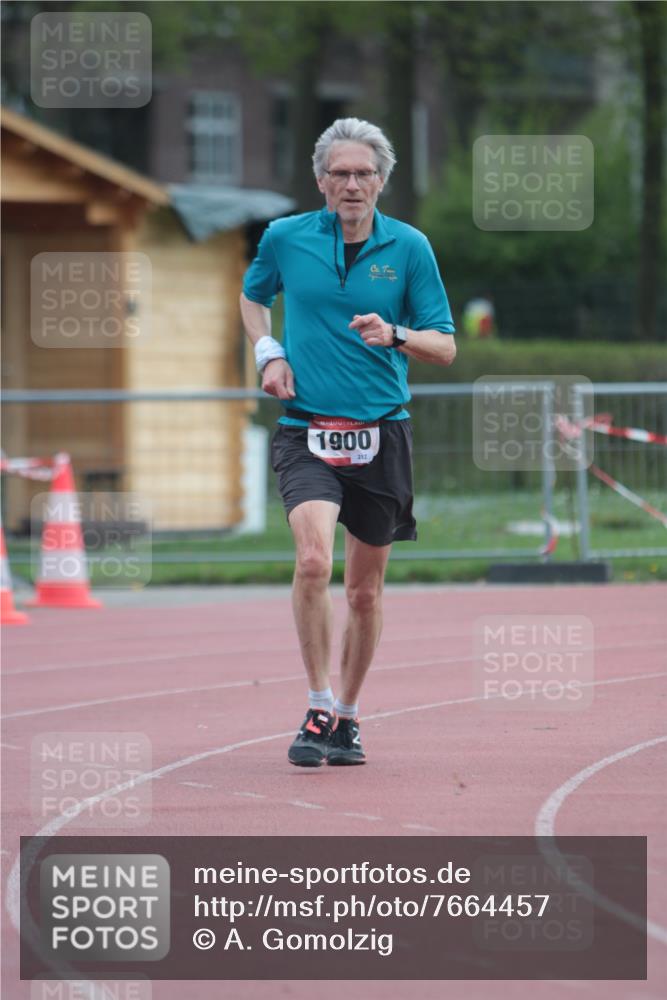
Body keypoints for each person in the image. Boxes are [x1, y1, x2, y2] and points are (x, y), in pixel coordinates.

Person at [240, 117, 456, 768]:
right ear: (320, 182)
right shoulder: (284, 238)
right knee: (312, 562)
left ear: (382, 182)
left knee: (363, 592)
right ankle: (316, 701)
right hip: (306, 428)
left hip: (381, 433)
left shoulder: (410, 248)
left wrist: (394, 334)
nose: (352, 184)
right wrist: (268, 354)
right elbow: (253, 298)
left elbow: (444, 345)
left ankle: (349, 718)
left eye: (364, 173)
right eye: (340, 173)